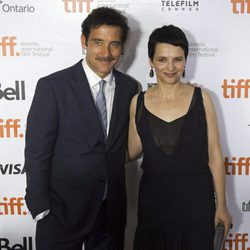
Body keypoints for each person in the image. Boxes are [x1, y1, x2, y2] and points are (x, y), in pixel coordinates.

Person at [24, 7, 138, 250]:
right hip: (61, 212)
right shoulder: (53, 87)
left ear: (122, 48)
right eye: (98, 42)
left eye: (114, 44)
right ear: (84, 41)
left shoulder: (130, 88)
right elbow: (37, 152)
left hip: (110, 215)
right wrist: (40, 207)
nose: (106, 53)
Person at [128, 25, 232, 250]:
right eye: (162, 59)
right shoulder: (138, 102)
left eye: (178, 59)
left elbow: (214, 155)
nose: (170, 67)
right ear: (151, 61)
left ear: (186, 61)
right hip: (153, 204)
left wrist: (221, 205)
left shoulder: (202, 98)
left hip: (196, 204)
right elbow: (131, 150)